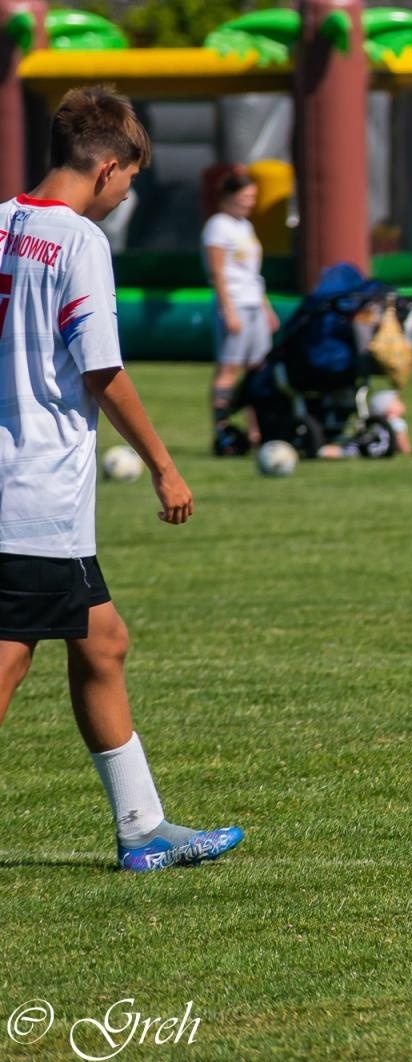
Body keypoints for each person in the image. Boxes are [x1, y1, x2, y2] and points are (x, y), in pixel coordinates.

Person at [0, 85, 244, 872]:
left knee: (102, 642)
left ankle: (142, 828)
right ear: (106, 167)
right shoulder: (78, 243)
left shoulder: (3, 222)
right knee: (9, 658)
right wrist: (165, 466)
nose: (128, 191)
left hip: (17, 485)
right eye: (130, 178)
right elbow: (101, 370)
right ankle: (141, 830)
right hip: (34, 492)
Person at [203, 167, 277, 445]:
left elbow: (252, 273)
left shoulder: (245, 226)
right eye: (245, 196)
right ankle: (222, 428)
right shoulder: (218, 226)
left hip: (254, 304)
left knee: (258, 370)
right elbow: (219, 273)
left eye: (253, 197)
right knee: (229, 369)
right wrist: (228, 310)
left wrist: (266, 308)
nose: (249, 202)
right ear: (229, 196)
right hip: (235, 304)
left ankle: (258, 430)